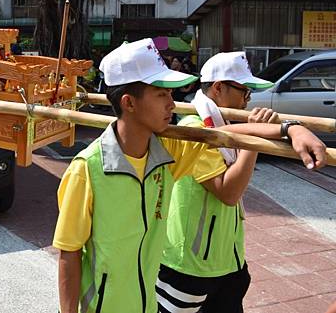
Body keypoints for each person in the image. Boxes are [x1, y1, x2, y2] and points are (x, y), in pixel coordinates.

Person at [52, 39, 327, 313]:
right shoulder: (87, 169)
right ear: (129, 103)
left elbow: (224, 136)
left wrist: (291, 129)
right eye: (161, 94)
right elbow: (69, 253)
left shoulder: (167, 154)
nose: (172, 104)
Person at [157, 52, 291, 313]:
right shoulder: (194, 128)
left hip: (228, 262)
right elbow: (228, 192)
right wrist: (254, 140)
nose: (247, 100)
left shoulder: (225, 124)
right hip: (191, 265)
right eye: (244, 92)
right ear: (218, 88)